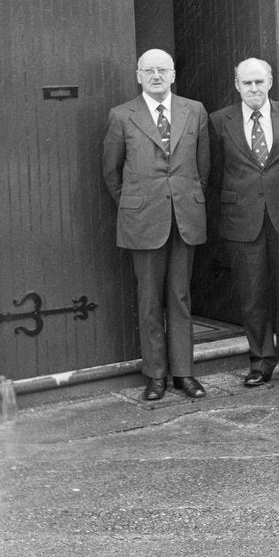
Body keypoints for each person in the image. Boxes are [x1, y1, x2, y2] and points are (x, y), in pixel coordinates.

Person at [102, 49, 210, 401]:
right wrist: (137, 204)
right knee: (149, 300)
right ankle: (156, 376)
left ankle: (184, 373)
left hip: (184, 219)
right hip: (143, 219)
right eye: (149, 71)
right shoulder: (121, 116)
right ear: (138, 76)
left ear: (173, 74)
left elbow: (203, 167)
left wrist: (183, 199)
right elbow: (111, 173)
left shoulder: (194, 111)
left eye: (162, 70)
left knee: (180, 297)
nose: (156, 76)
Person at [208, 58, 279, 390]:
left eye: (259, 82)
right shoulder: (218, 121)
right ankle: (260, 362)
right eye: (247, 83)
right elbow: (213, 171)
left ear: (270, 82)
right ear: (237, 85)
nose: (253, 89)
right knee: (253, 294)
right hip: (243, 219)